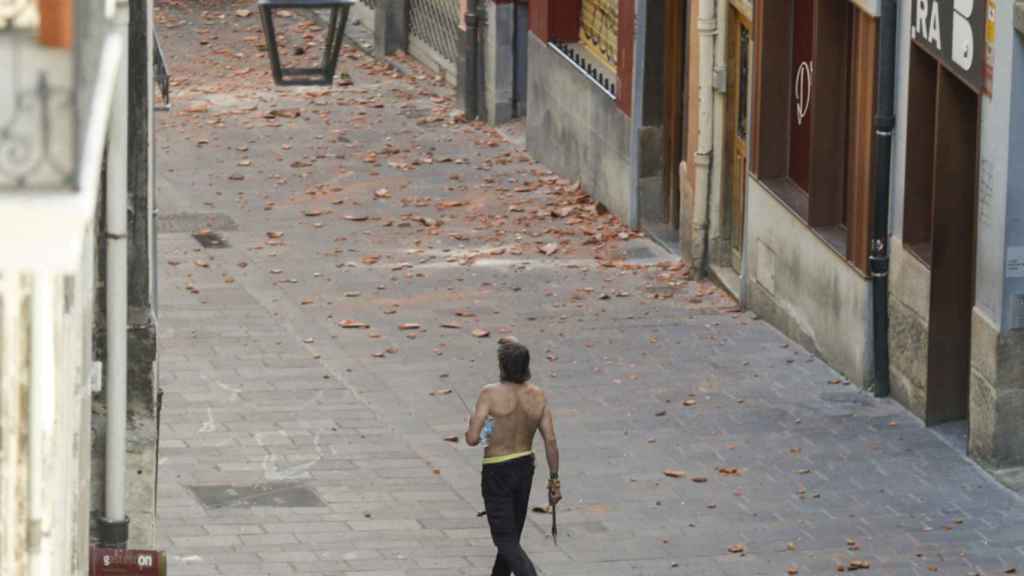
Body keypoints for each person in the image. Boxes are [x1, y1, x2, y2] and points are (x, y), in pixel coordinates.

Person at [466, 338, 561, 576]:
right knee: (511, 535)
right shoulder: (538, 396)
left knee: (505, 539)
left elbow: (472, 438)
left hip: (497, 471)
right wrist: (554, 480)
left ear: (502, 367)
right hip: (524, 467)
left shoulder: (489, 393)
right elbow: (550, 440)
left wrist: (482, 425)